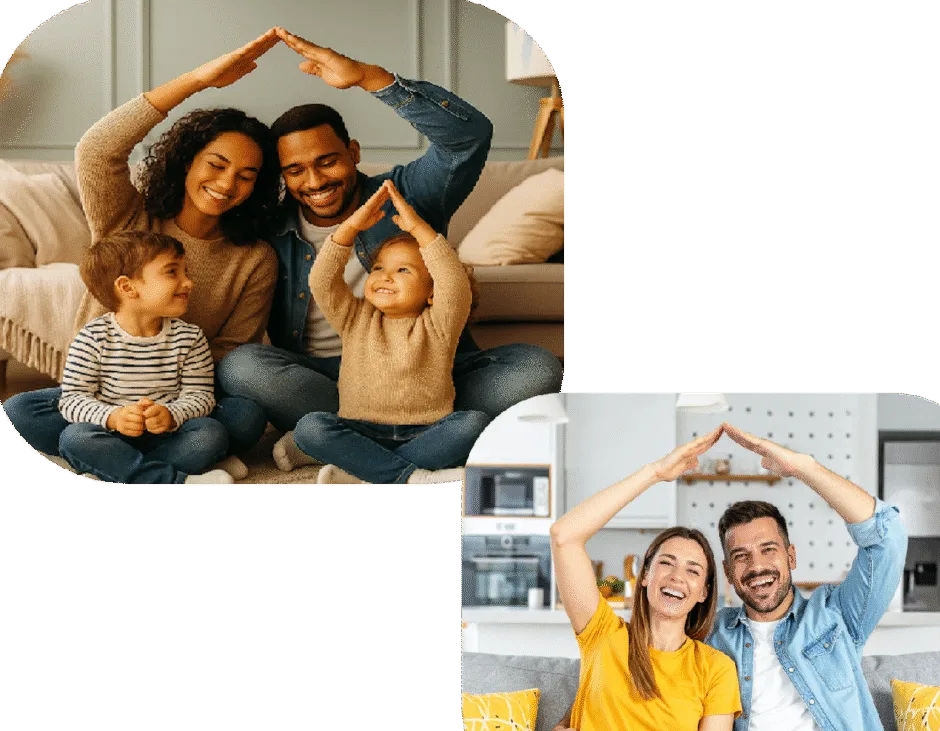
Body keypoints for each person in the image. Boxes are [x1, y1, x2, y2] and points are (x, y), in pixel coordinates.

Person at [214, 28, 564, 474]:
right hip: (330, 378)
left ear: (353, 152)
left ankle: (340, 446)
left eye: (327, 161)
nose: (315, 181)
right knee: (243, 367)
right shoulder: (270, 224)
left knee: (536, 368)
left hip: (428, 370)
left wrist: (368, 77)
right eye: (296, 171)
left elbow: (468, 136)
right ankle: (388, 442)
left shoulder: (403, 194)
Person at [538, 423, 909, 731]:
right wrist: (560, 729)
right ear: (728, 575)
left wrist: (805, 468)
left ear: (791, 556)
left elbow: (888, 537)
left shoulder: (838, 617)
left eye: (769, 549)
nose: (757, 565)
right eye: (740, 556)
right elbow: (620, 683)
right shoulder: (713, 638)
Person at [2, 30, 283, 476]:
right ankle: (172, 467)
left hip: (180, 402)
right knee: (20, 411)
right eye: (216, 164)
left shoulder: (254, 258)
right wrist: (197, 80)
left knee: (244, 418)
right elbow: (96, 150)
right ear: (188, 160)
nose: (228, 183)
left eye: (247, 176)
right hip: (103, 398)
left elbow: (231, 351)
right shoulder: (129, 221)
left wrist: (165, 404)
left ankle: (116, 460)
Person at [536, 425, 742, 731]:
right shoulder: (602, 633)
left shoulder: (715, 669)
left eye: (693, 570)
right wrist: (656, 473)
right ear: (645, 576)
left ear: (703, 593)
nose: (677, 576)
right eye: (666, 563)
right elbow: (565, 535)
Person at [291, 180, 489, 484]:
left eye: (403, 270)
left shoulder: (440, 323)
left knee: (473, 424)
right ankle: (409, 475)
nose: (385, 277)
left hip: (426, 431)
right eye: (379, 268)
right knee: (310, 428)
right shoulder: (355, 317)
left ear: (432, 292)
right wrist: (350, 227)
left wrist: (419, 229)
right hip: (358, 428)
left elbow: (453, 282)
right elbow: (321, 280)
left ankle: (365, 470)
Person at [56, 231, 234, 485]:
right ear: (128, 287)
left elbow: (201, 396)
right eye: (172, 272)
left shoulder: (190, 337)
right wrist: (114, 417)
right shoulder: (92, 338)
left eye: (186, 272)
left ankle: (116, 471)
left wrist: (171, 414)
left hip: (169, 435)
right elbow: (72, 400)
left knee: (210, 434)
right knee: (75, 438)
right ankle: (179, 481)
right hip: (113, 435)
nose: (188, 282)